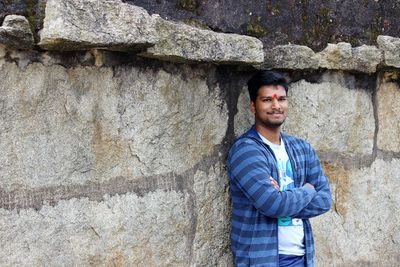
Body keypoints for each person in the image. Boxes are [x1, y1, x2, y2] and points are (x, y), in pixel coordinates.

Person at [227, 70, 332, 267]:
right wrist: (308, 190)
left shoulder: (302, 148)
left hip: (303, 258)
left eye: (281, 99)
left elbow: (325, 200)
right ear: (253, 106)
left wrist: (284, 198)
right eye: (267, 100)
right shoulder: (246, 150)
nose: (276, 106)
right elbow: (273, 204)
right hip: (263, 260)